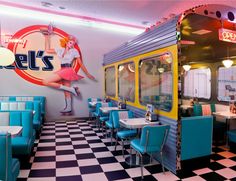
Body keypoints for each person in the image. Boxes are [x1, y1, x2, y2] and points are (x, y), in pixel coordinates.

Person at [41, 26, 95, 113]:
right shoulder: (60, 50)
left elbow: (80, 63)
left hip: (68, 69)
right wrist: (47, 37)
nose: (72, 44)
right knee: (66, 89)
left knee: (45, 81)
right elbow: (47, 50)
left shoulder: (74, 52)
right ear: (66, 42)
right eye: (70, 42)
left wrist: (88, 74)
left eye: (73, 43)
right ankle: (69, 107)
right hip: (62, 69)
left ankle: (71, 90)